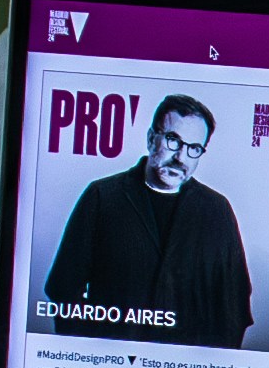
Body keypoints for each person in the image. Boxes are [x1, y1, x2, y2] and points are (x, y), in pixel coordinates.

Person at [35, 93, 256, 346]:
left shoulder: (217, 211)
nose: (181, 157)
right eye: (173, 140)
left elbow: (235, 308)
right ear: (152, 139)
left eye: (194, 149)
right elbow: (62, 289)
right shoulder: (102, 196)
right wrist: (91, 355)